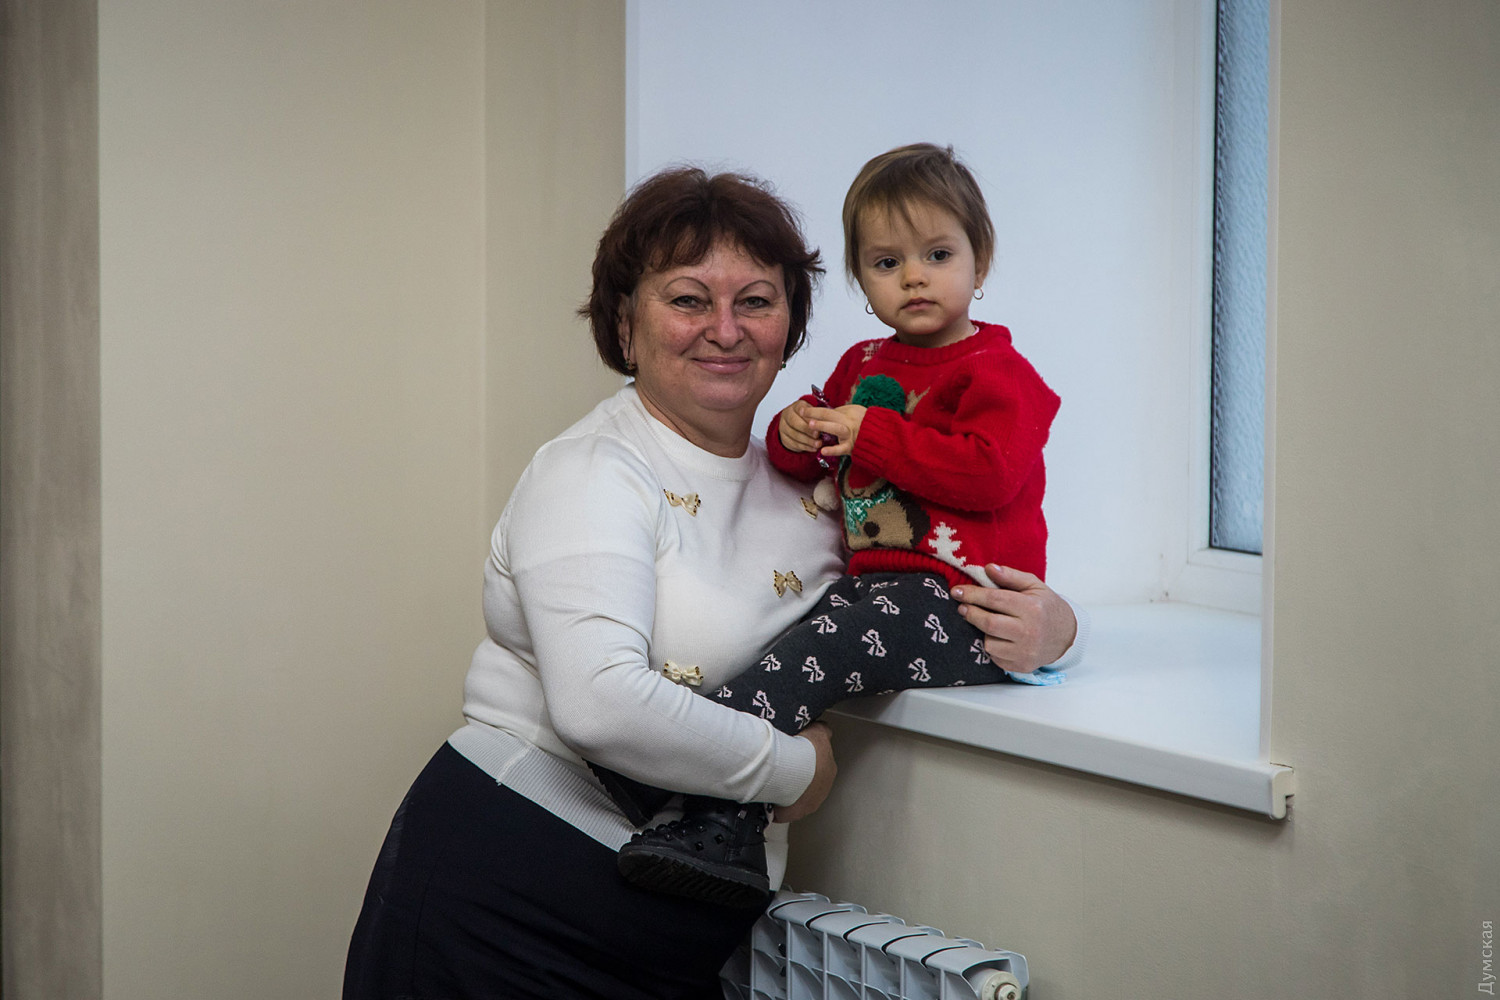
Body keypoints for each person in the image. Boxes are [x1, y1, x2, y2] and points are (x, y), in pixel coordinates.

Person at [343, 165, 1084, 1000]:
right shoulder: (591, 471)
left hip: (676, 938)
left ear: (789, 327)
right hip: (505, 900)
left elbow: (923, 582)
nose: (724, 330)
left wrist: (1056, 631)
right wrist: (796, 772)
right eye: (689, 300)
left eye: (756, 301)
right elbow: (598, 704)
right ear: (625, 327)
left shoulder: (820, 490)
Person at [610, 143, 1067, 909]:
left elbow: (990, 472)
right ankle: (720, 820)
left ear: (981, 262)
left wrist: (872, 433)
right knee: (787, 638)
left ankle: (685, 789)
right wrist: (795, 431)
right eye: (887, 263)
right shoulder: (863, 364)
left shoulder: (1000, 374)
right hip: (882, 592)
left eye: (938, 254)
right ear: (859, 279)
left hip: (964, 604)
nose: (914, 276)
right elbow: (811, 465)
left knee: (825, 646)